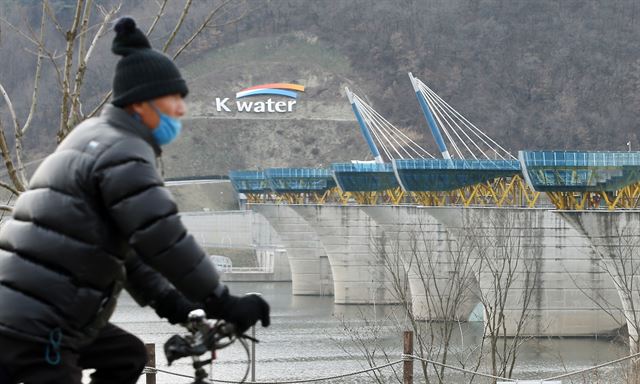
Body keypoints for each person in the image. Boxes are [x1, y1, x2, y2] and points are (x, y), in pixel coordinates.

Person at [0, 16, 270, 384]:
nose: (181, 109)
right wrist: (222, 302)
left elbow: (130, 253)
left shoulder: (96, 136)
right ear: (141, 103)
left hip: (29, 310)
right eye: (173, 98)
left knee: (125, 355)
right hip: (36, 324)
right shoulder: (123, 152)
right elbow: (164, 238)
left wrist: (175, 305)